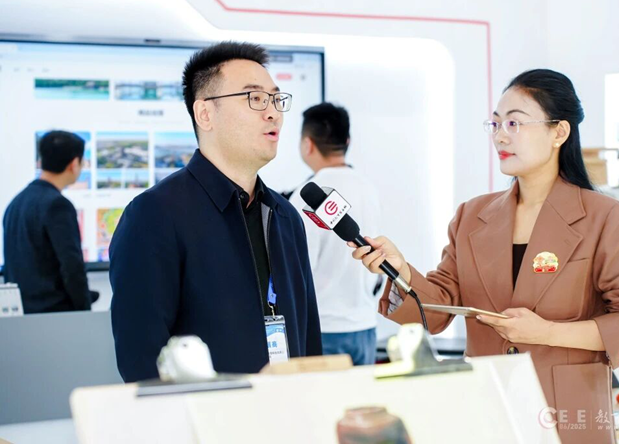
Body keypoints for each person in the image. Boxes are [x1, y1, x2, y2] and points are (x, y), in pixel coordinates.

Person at [351, 69, 619, 443]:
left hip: (567, 418)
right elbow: (438, 309)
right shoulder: (471, 216)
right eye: (495, 124)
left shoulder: (606, 218)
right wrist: (400, 270)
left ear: (559, 132)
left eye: (514, 123)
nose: (499, 135)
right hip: (489, 410)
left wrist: (547, 332)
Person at [109, 41, 322, 382]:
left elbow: (308, 339)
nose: (273, 113)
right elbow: (142, 361)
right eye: (255, 98)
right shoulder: (154, 215)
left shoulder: (285, 216)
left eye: (275, 99)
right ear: (205, 114)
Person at [289, 103, 382, 365]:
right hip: (365, 326)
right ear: (347, 141)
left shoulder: (306, 195)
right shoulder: (368, 188)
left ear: (307, 144)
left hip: (323, 328)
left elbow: (300, 270)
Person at [3, 130, 93, 313]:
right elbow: (72, 267)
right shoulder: (58, 205)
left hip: (24, 315)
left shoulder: (16, 203)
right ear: (74, 164)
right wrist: (85, 310)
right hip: (56, 316)